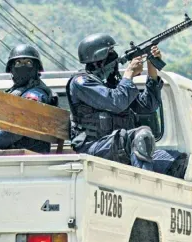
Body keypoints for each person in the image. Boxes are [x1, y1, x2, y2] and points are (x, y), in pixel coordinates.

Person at [67, 33, 164, 170]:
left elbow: (147, 106)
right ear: (98, 57)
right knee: (142, 135)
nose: (115, 56)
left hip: (117, 145)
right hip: (93, 147)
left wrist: (151, 68)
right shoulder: (82, 82)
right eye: (110, 51)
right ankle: (143, 188)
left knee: (175, 160)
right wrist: (129, 74)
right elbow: (116, 103)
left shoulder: (113, 84)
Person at [0, 44, 58, 153]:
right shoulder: (17, 92)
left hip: (28, 157)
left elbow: (17, 129)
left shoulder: (36, 93)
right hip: (14, 154)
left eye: (28, 63)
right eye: (18, 63)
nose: (23, 66)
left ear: (36, 68)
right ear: (11, 69)